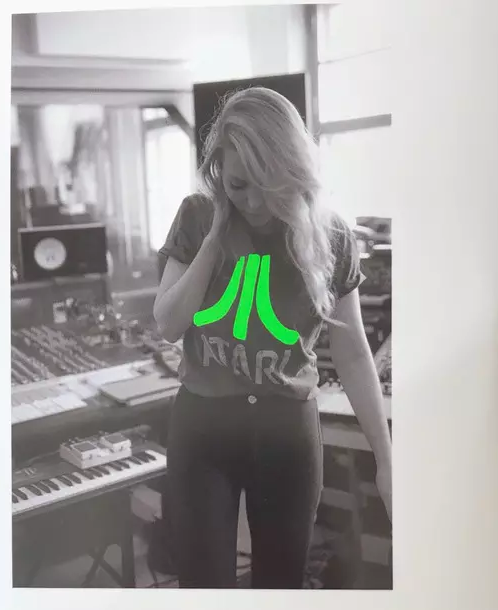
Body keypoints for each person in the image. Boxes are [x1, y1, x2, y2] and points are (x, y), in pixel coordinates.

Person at [153, 87, 392, 589]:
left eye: (269, 184)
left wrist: (385, 460)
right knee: (203, 586)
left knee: (281, 585)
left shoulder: (331, 235)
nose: (255, 203)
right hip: (203, 427)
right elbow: (169, 323)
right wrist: (215, 240)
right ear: (218, 170)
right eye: (239, 185)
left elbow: (352, 353)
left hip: (287, 431)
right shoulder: (197, 215)